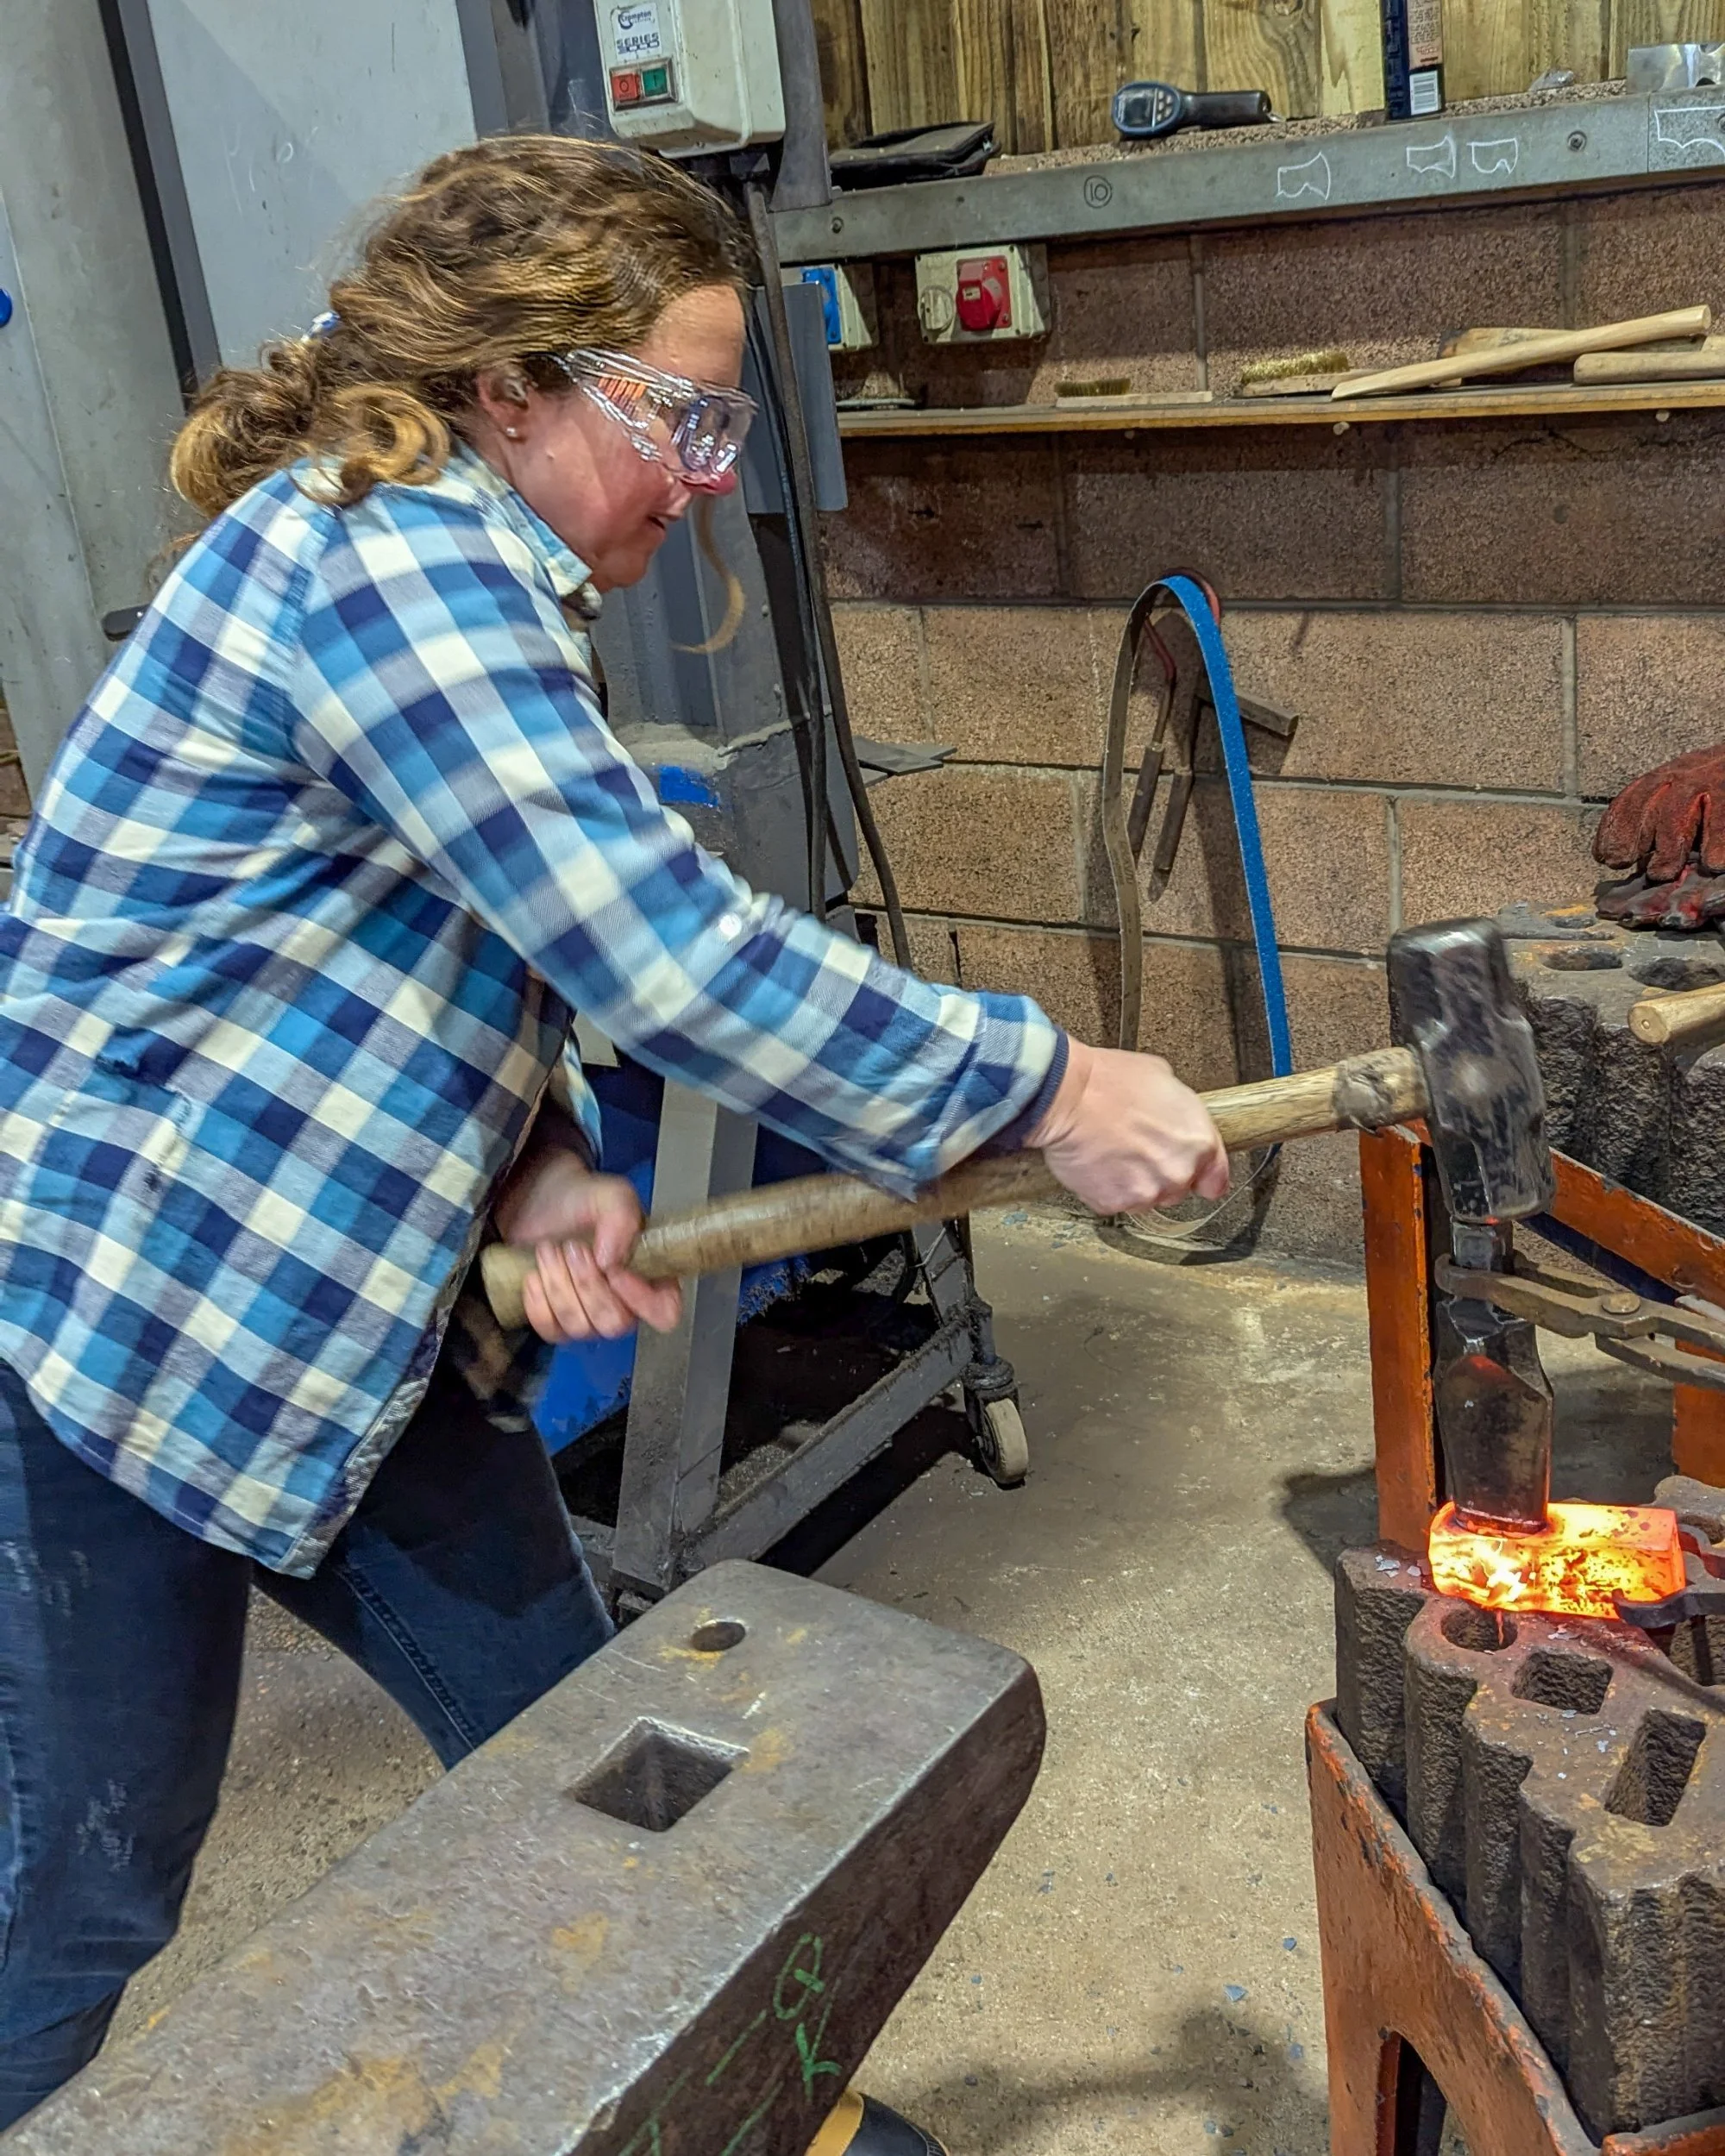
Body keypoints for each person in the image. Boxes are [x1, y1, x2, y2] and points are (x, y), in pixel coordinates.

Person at [0, 134, 1228, 2134]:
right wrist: (1048, 1085)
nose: (710, 469)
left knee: (590, 1758)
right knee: (77, 1890)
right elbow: (655, 946)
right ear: (511, 387)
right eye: (678, 413)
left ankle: (754, 2102)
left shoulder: (470, 553)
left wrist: (540, 1162)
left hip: (362, 1312)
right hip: (138, 1323)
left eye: (724, 416)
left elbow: (444, 937)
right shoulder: (386, 554)